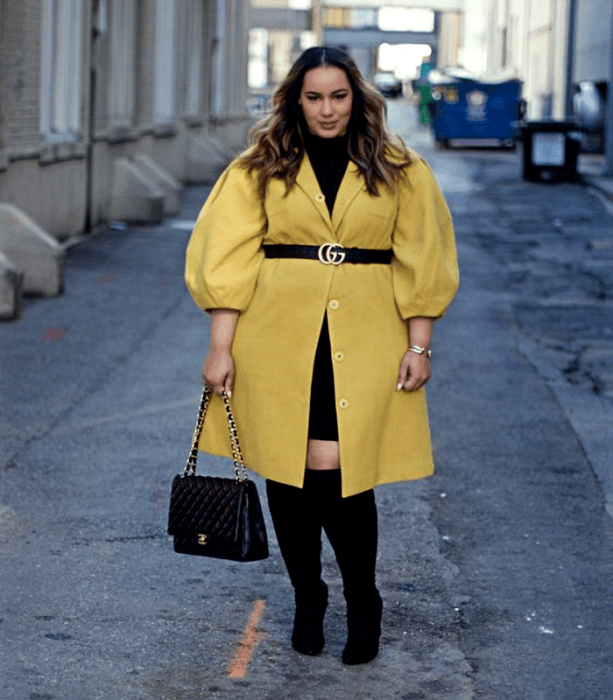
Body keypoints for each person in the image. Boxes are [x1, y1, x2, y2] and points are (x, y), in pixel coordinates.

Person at [185, 46, 459, 665]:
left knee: (344, 470)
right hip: (277, 336)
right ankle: (308, 596)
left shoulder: (398, 167)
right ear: (295, 100)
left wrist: (420, 344)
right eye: (314, 97)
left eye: (339, 96)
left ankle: (363, 600)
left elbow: (424, 256)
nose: (327, 110)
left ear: (357, 98)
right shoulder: (261, 165)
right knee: (288, 467)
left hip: (365, 335)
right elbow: (229, 259)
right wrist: (220, 349)